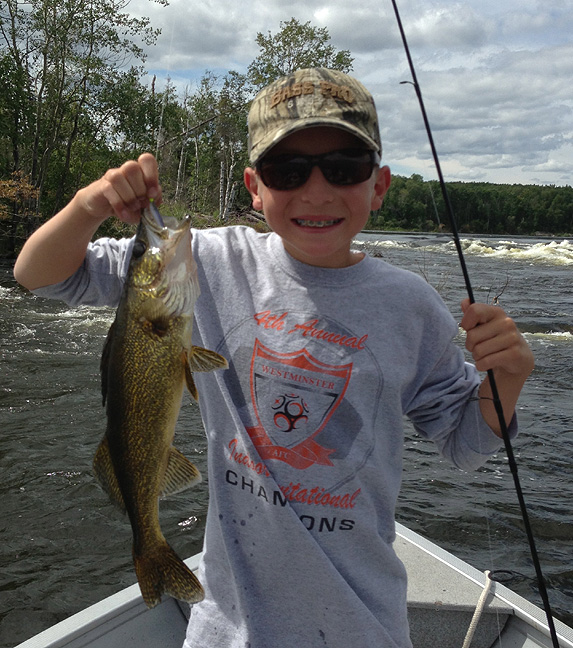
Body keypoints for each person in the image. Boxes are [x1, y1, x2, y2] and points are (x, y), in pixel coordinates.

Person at [14, 68, 534, 648]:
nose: (316, 191)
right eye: (287, 171)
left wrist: (506, 378)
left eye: (343, 169)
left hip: (360, 625)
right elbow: (38, 275)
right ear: (255, 188)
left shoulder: (411, 307)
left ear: (379, 185)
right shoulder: (207, 263)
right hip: (226, 624)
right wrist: (89, 205)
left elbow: (465, 441)